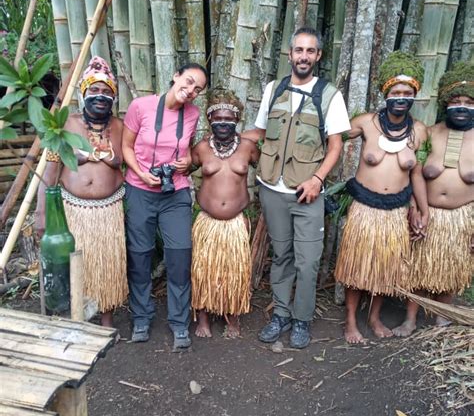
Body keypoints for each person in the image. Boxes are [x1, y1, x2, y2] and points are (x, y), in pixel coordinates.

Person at [245, 26, 350, 349]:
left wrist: (318, 180)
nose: (303, 56)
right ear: (289, 54)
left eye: (310, 51)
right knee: (282, 255)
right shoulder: (274, 89)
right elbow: (259, 132)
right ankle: (281, 314)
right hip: (271, 189)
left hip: (307, 192)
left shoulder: (329, 95)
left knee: (308, 260)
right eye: (298, 50)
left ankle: (302, 319)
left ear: (318, 56)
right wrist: (224, 146)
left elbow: (336, 146)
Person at [334, 51, 429, 344]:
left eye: (407, 92)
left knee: (384, 270)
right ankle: (351, 322)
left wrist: (422, 210)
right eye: (396, 92)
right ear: (386, 94)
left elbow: (417, 175)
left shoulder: (419, 131)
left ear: (414, 96)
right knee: (356, 267)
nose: (401, 97)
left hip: (395, 212)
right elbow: (332, 136)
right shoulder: (365, 123)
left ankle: (374, 318)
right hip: (364, 208)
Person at [35, 56, 128, 327]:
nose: (101, 97)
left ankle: (107, 320)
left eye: (107, 92)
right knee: (78, 266)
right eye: (95, 90)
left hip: (109, 210)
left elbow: (128, 164)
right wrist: (41, 213)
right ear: (83, 93)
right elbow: (50, 171)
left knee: (107, 266)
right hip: (73, 210)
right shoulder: (66, 124)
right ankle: (79, 319)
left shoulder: (120, 128)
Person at [122, 63, 208, 346]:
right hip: (139, 189)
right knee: (140, 256)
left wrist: (187, 164)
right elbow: (126, 146)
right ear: (176, 76)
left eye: (198, 89)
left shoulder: (193, 114)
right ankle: (142, 319)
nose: (191, 90)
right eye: (189, 81)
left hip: (175, 193)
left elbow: (190, 153)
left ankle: (180, 323)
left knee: (179, 258)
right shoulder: (141, 106)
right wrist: (141, 172)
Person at [393, 61, 474, 337]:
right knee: (418, 269)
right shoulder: (429, 132)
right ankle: (410, 319)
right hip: (429, 213)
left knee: (452, 269)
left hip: (463, 217)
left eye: (468, 101)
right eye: (455, 101)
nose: (461, 106)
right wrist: (415, 208)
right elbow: (413, 173)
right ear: (445, 103)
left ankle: (442, 317)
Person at [191, 89, 259, 338]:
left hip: (235, 224)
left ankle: (233, 319)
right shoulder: (200, 149)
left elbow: (266, 170)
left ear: (237, 120)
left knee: (234, 273)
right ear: (210, 120)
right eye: (217, 119)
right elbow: (182, 171)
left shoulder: (249, 148)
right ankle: (204, 319)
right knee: (204, 271)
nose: (223, 123)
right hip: (208, 223)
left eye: (228, 119)